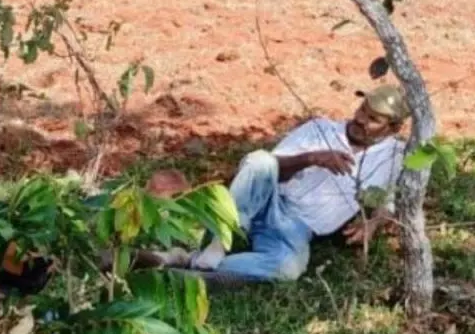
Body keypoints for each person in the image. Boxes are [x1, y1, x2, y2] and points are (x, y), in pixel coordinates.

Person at [165, 86, 412, 281]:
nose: (360, 119)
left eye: (372, 118)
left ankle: (193, 264)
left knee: (288, 267)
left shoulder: (395, 156)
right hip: (268, 199)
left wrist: (374, 222)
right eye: (362, 109)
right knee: (259, 161)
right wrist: (312, 158)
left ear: (393, 128)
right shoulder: (320, 128)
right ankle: (220, 241)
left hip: (297, 226)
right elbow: (271, 167)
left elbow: (391, 199)